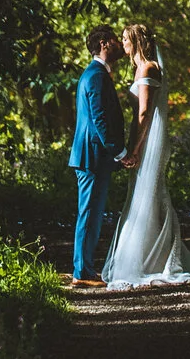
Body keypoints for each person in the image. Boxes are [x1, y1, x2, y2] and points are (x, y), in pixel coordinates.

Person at [101, 21, 190, 289]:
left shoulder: (149, 68)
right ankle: (146, 257)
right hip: (141, 137)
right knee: (141, 196)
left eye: (126, 39)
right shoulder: (140, 69)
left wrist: (135, 148)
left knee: (152, 195)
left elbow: (144, 113)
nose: (123, 44)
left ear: (137, 41)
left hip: (149, 140)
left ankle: (158, 259)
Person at [65, 24, 126, 287]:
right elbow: (100, 120)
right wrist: (120, 151)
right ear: (103, 43)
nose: (119, 45)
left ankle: (84, 267)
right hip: (92, 156)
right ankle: (82, 272)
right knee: (89, 212)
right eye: (115, 40)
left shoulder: (94, 74)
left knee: (90, 212)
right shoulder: (97, 76)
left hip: (91, 155)